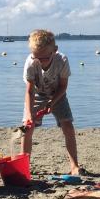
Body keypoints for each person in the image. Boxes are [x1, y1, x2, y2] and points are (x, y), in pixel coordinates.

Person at [22, 29, 84, 176]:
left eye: (44, 58)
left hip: (58, 94)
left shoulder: (61, 60)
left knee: (67, 125)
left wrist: (52, 102)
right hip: (36, 95)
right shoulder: (31, 62)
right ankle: (24, 167)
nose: (40, 61)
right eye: (37, 57)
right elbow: (29, 91)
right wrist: (31, 114)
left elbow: (63, 86)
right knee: (27, 128)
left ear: (54, 50)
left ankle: (74, 166)